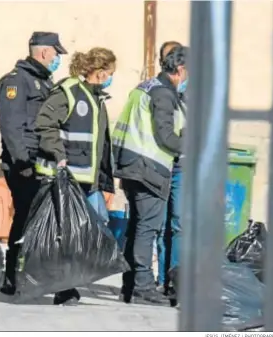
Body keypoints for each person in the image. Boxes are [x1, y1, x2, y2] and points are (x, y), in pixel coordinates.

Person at [35, 47, 117, 305]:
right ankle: (64, 288)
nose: (112, 77)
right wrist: (58, 153)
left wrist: (104, 182)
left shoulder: (97, 98)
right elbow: (45, 123)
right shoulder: (69, 92)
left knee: (87, 232)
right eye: (111, 72)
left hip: (86, 181)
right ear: (101, 72)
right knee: (69, 233)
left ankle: (68, 284)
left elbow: (99, 145)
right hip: (65, 178)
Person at [112, 45, 187, 305]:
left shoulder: (145, 86)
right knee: (147, 228)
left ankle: (130, 285)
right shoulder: (164, 93)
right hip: (149, 168)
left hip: (133, 165)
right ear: (180, 69)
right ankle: (143, 287)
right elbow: (166, 136)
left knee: (136, 227)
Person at [0, 31, 67, 296]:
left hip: (41, 163)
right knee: (25, 217)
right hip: (22, 164)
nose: (58, 58)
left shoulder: (44, 82)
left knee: (37, 219)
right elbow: (11, 126)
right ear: (44, 52)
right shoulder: (17, 81)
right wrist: (22, 161)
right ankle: (12, 276)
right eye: (56, 53)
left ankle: (30, 274)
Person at [155, 41, 185, 295]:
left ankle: (175, 280)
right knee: (160, 226)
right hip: (160, 164)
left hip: (182, 166)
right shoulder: (158, 91)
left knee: (179, 224)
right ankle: (164, 278)